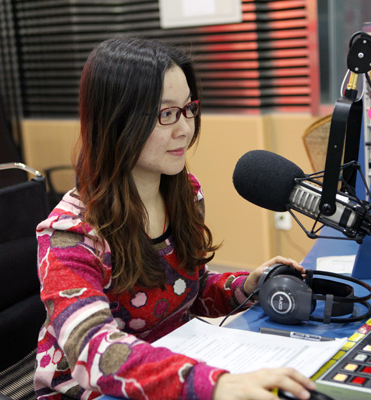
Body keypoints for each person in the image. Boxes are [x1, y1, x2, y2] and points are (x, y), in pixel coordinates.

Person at [34, 36, 316, 400]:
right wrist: (215, 384)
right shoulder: (69, 234)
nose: (185, 128)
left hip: (170, 371)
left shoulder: (185, 194)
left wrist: (246, 287)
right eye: (166, 114)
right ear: (116, 121)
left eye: (188, 109)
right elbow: (96, 352)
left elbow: (188, 290)